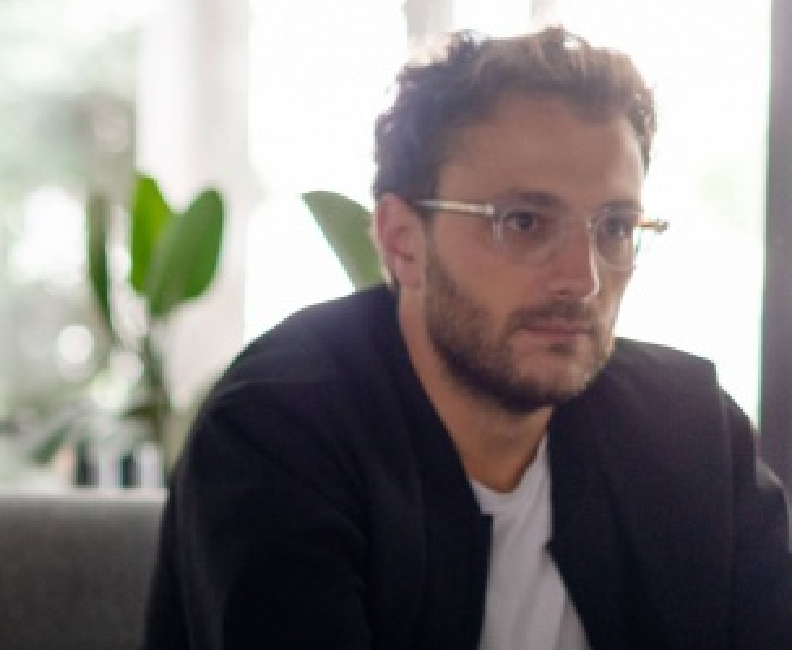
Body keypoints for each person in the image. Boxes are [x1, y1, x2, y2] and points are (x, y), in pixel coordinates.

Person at [143, 27, 792, 650]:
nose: (583, 278)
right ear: (402, 241)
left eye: (615, 227)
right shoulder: (277, 435)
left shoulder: (691, 432)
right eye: (525, 222)